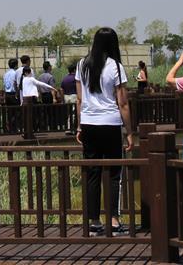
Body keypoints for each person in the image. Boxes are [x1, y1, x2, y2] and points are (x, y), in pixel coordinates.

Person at [75, 27, 133, 235]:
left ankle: (94, 221)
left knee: (93, 173)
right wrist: (130, 132)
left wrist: (80, 126)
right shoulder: (116, 67)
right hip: (110, 123)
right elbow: (123, 103)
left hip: (89, 123)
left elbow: (79, 99)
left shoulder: (82, 64)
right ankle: (115, 221)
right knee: (113, 172)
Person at [60, 63, 78, 135]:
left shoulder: (65, 78)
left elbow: (61, 89)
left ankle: (68, 128)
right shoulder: (76, 78)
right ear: (74, 70)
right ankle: (72, 129)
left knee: (69, 113)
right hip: (74, 96)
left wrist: (62, 99)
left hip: (66, 96)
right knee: (74, 114)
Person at [3, 58, 20, 131]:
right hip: (14, 94)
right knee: (17, 111)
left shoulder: (5, 74)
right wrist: (17, 93)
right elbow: (15, 83)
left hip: (7, 94)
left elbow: (4, 84)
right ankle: (13, 126)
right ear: (16, 65)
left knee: (9, 111)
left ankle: (9, 127)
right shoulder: (15, 73)